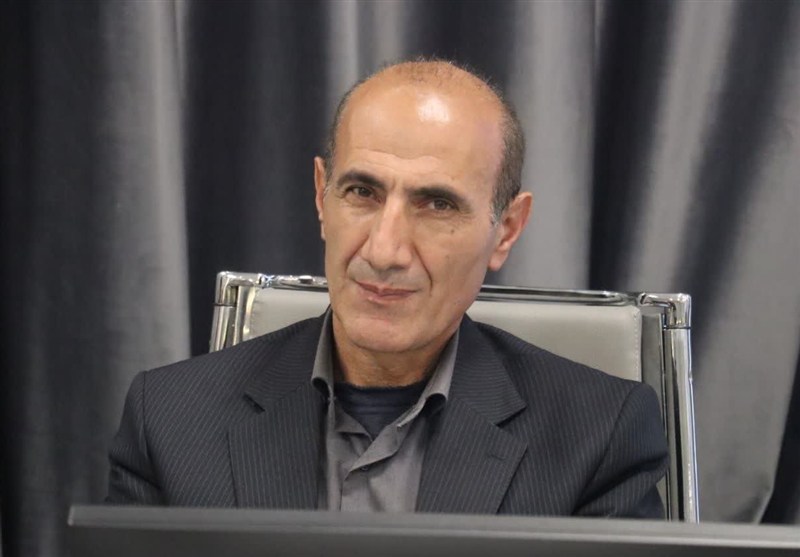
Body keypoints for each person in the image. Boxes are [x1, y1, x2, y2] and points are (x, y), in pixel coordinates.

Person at [107, 59, 668, 517]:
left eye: (437, 204)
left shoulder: (599, 438)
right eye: (362, 193)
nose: (383, 250)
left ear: (507, 230)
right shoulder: (170, 421)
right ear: (322, 196)